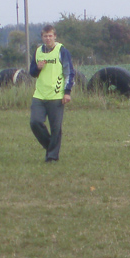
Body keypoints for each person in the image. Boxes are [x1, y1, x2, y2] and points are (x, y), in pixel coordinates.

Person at [29, 24, 75, 162]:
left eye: (50, 36)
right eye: (45, 36)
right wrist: (37, 68)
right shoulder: (38, 52)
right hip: (39, 95)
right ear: (42, 37)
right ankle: (51, 146)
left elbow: (69, 72)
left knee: (56, 128)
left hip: (56, 95)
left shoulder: (62, 51)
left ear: (55, 36)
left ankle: (52, 157)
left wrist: (67, 92)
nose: (48, 38)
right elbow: (32, 73)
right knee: (35, 122)